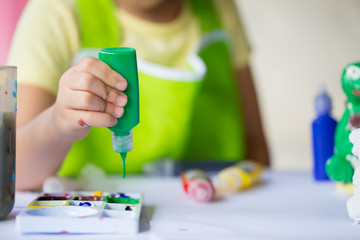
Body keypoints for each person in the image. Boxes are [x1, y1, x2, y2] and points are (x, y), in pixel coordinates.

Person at [8, 0, 270, 190]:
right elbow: (13, 170)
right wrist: (57, 124)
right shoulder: (56, 12)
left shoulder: (219, 8)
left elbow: (256, 146)